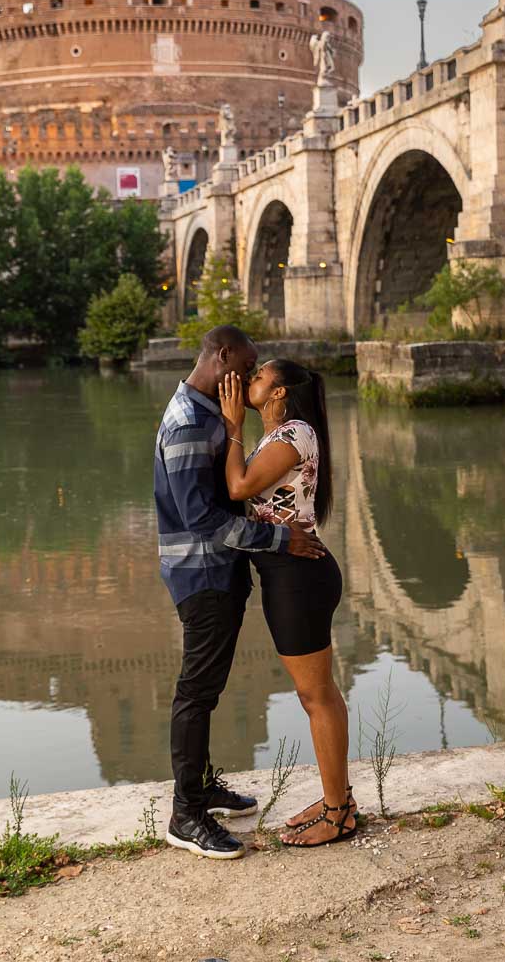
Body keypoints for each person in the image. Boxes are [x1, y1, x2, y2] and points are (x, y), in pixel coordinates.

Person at [154, 326, 324, 860]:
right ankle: (186, 815)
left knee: (207, 688)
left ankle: (201, 788)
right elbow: (203, 519)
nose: (250, 378)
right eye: (247, 367)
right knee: (196, 692)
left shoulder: (208, 416)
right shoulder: (187, 423)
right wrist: (279, 538)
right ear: (221, 356)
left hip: (219, 572)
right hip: (201, 574)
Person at [218, 359, 356, 848]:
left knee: (315, 696)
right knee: (320, 693)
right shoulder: (287, 435)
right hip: (295, 573)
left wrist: (232, 422)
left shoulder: (291, 436)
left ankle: (338, 813)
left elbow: (239, 487)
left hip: (298, 577)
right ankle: (339, 798)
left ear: (277, 394)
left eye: (258, 376)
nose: (248, 379)